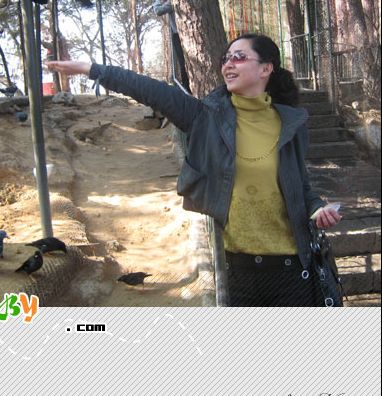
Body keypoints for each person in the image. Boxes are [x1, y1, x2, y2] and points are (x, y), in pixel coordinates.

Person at [47, 33, 342, 307]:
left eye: (239, 57)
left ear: (266, 68)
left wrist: (318, 209)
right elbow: (149, 90)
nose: (228, 64)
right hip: (234, 270)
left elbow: (301, 188)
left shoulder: (291, 124)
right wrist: (91, 69)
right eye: (225, 58)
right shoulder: (205, 118)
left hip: (292, 270)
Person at [151, 0, 190, 92]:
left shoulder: (173, 0)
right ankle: (186, 86)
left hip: (178, 35)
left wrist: (157, 1)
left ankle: (186, 88)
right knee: (184, 63)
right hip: (185, 34)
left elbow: (158, 11)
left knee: (182, 63)